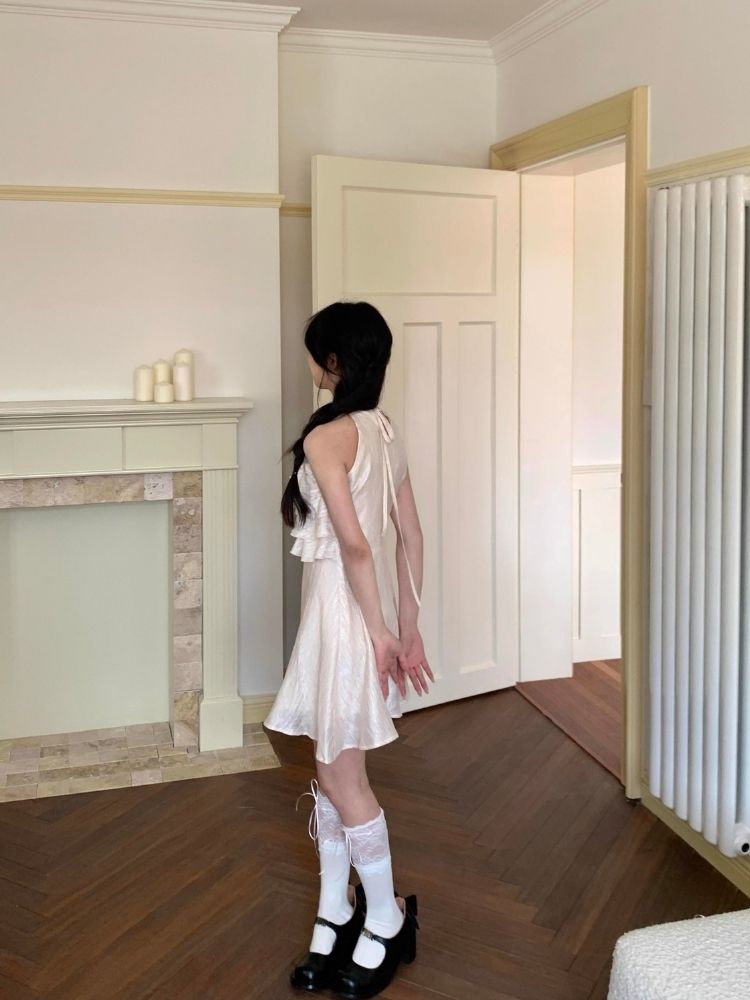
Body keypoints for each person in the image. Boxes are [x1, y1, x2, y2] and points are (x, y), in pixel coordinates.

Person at [264, 300, 434, 999]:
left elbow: (358, 547)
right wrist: (406, 623)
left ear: (332, 362)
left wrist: (381, 633)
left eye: (314, 352)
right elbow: (411, 536)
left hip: (343, 616)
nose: (309, 362)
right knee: (329, 768)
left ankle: (387, 916)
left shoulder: (326, 438)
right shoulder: (382, 429)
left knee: (343, 779)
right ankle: (336, 907)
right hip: (353, 613)